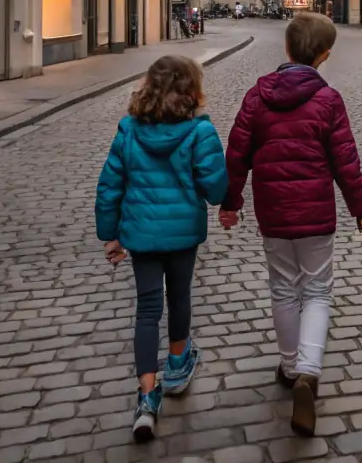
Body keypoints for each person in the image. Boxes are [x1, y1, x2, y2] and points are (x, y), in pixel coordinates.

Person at [219, 11, 362, 437]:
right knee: (318, 289)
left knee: (284, 288)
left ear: (286, 49)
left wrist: (230, 201)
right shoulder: (328, 101)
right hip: (316, 216)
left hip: (273, 215)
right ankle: (309, 370)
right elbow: (346, 162)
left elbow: (236, 154)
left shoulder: (257, 96)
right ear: (324, 56)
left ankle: (290, 367)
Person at [95, 55, 228, 443]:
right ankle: (177, 364)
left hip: (141, 234)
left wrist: (111, 234)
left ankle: (147, 396)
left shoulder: (129, 129)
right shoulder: (199, 132)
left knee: (148, 308)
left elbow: (109, 186)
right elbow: (215, 189)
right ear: (192, 88)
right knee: (180, 295)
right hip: (183, 233)